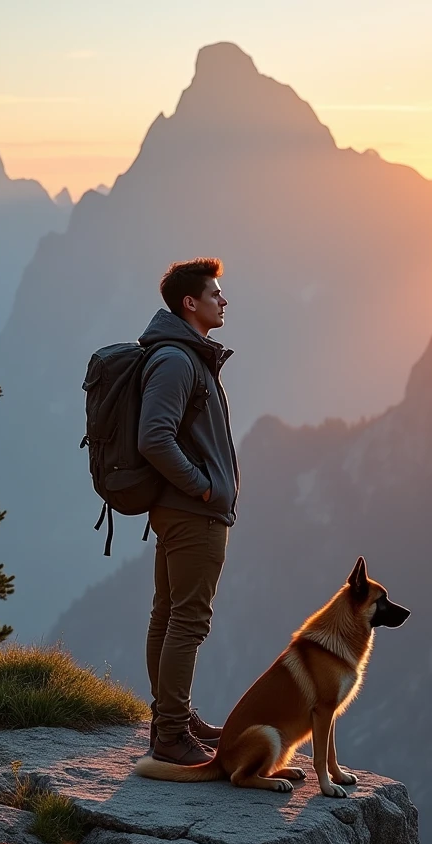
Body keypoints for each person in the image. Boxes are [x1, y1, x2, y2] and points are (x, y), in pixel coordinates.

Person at [137, 258, 239, 765]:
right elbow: (153, 436)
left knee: (168, 615)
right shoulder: (178, 360)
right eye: (215, 293)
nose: (224, 301)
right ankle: (172, 733)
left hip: (178, 510)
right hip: (192, 515)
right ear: (189, 304)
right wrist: (201, 488)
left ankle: (170, 715)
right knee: (188, 622)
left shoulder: (184, 354)